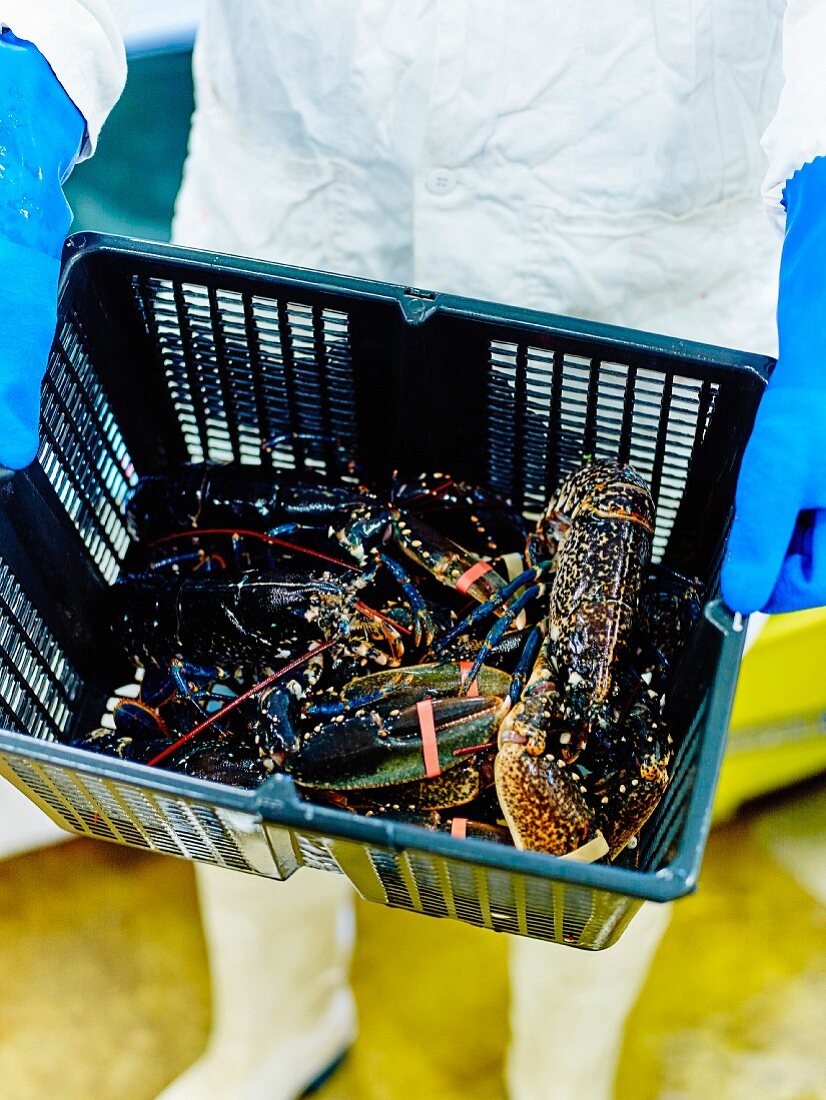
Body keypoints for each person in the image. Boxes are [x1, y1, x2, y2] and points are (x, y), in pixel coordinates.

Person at [0, 4, 824, 1098]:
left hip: (638, 276)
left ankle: (561, 1077)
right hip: (292, 232)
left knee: (609, 799)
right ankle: (275, 1032)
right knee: (251, 777)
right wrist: (24, 65)